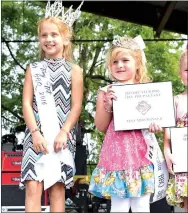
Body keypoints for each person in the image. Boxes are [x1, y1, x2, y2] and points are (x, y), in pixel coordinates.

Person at [89, 35, 167, 212]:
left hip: (142, 155)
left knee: (141, 206)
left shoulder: (148, 91)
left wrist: (156, 127)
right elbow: (100, 126)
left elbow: (158, 124)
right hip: (117, 158)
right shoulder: (105, 91)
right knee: (119, 207)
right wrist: (108, 106)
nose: (120, 65)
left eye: (125, 60)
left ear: (137, 62)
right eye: (115, 61)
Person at [19, 0, 83, 212]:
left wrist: (64, 132)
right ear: (39, 39)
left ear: (65, 39)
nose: (49, 39)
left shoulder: (75, 70)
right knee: (33, 185)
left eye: (54, 34)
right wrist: (35, 133)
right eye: (44, 35)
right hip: (35, 135)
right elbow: (27, 103)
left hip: (61, 136)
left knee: (57, 188)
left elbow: (76, 106)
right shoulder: (33, 68)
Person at [164, 49, 188, 212]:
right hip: (185, 165)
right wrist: (168, 154)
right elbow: (167, 138)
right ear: (180, 73)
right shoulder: (175, 101)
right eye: (187, 70)